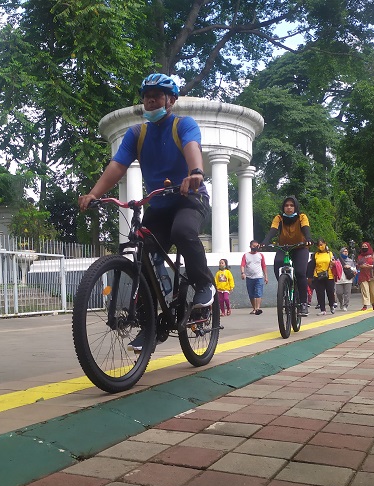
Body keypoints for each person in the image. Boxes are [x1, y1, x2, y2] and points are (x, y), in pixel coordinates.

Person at [78, 73, 215, 351]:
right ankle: (151, 326)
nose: (150, 100)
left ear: (171, 100)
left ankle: (204, 284)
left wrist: (196, 172)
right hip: (160, 205)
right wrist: (95, 193)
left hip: (190, 198)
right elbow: (117, 166)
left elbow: (192, 147)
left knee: (183, 231)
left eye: (157, 94)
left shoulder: (183, 125)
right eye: (146, 95)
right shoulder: (136, 134)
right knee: (143, 253)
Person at [260, 196, 312, 315]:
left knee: (300, 272)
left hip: (300, 247)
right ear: (283, 207)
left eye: (291, 205)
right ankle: (284, 286)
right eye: (286, 205)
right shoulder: (279, 218)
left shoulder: (301, 217)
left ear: (295, 207)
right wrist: (265, 242)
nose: (289, 208)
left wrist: (308, 238)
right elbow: (272, 231)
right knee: (278, 263)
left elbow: (306, 228)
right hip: (284, 247)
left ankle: (303, 303)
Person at [311, 239, 338, 315]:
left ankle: (332, 305)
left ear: (325, 244)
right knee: (320, 293)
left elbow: (336, 262)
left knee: (330, 291)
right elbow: (312, 265)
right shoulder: (315, 255)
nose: (321, 246)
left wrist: (333, 263)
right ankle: (322, 309)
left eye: (322, 244)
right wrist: (310, 276)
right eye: (319, 245)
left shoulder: (330, 254)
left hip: (329, 276)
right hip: (318, 276)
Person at [241, 240, 268, 314]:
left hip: (259, 277)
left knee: (258, 293)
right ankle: (254, 308)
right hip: (249, 278)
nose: (255, 247)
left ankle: (257, 308)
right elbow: (243, 265)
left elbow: (264, 266)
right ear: (250, 246)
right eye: (254, 246)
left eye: (256, 246)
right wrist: (243, 273)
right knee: (251, 294)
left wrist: (266, 276)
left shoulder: (260, 255)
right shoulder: (246, 255)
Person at [356, 241, 374, 310]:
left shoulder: (373, 255)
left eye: (366, 247)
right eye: (363, 247)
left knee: (373, 291)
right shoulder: (360, 256)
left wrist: (372, 266)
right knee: (365, 290)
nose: (364, 248)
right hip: (363, 275)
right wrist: (361, 266)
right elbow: (357, 265)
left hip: (372, 274)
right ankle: (365, 305)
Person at [335, 246, 356, 311]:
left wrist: (349, 267)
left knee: (347, 293)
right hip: (339, 279)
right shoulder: (337, 261)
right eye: (344, 251)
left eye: (347, 251)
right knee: (339, 293)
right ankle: (341, 302)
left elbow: (354, 269)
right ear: (341, 252)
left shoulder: (350, 261)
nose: (346, 253)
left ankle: (345, 305)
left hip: (348, 279)